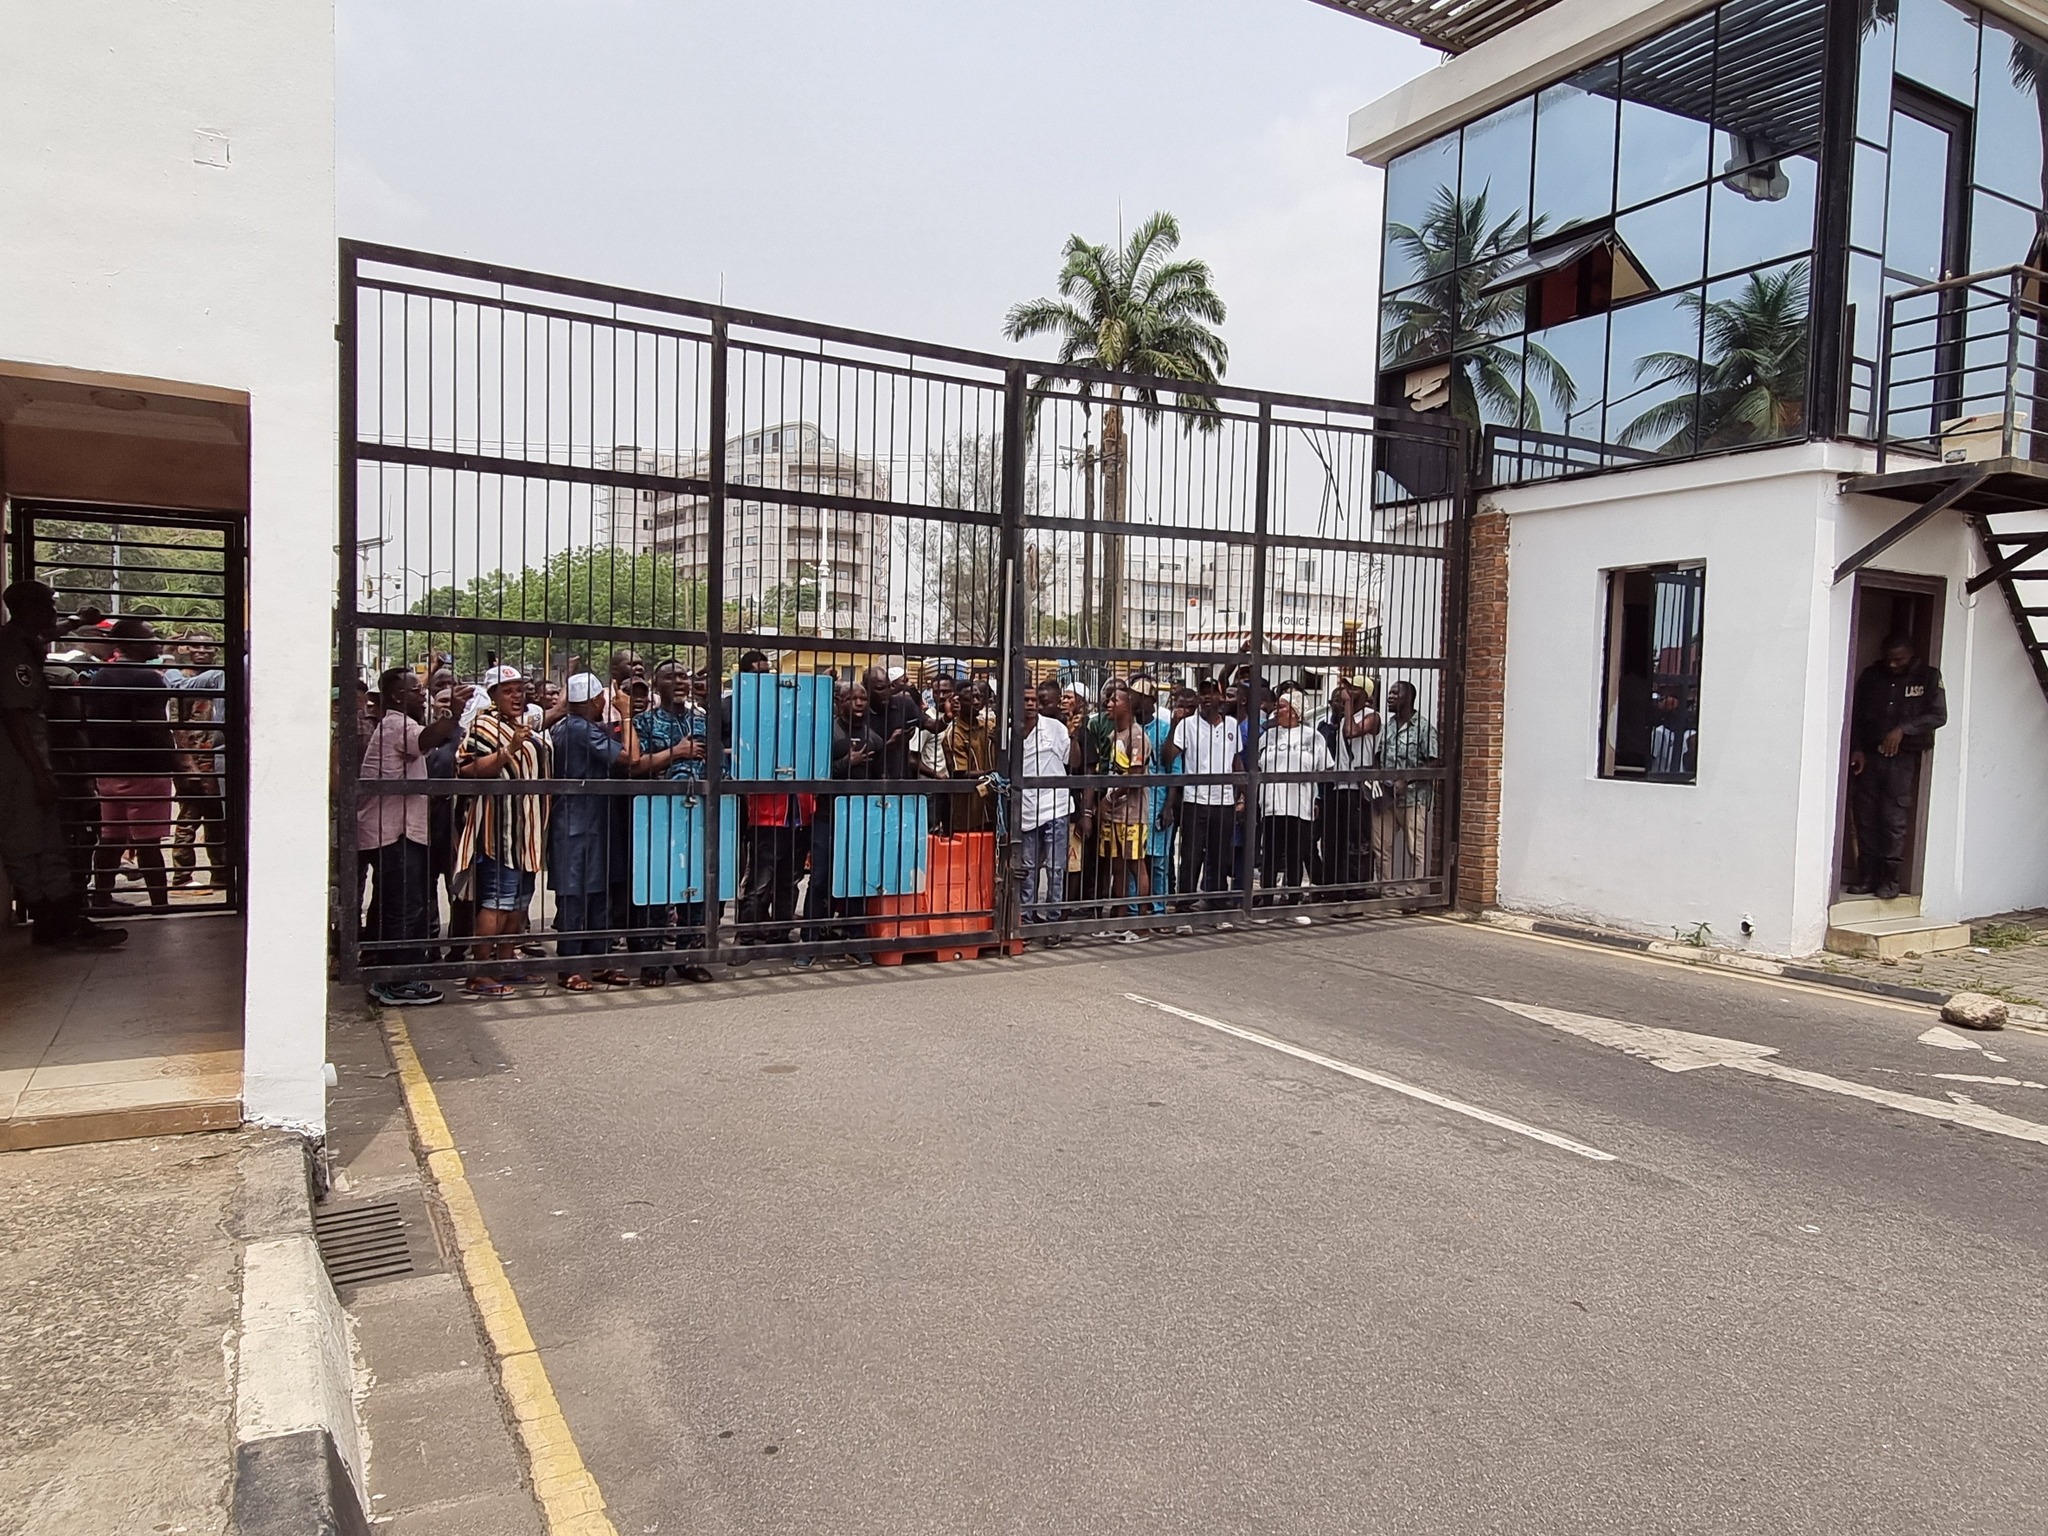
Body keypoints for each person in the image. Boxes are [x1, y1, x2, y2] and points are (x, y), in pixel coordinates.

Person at [0, 580, 125, 948]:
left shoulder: (21, 640)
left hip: (30, 757)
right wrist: (38, 772)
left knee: (45, 838)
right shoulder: (12, 651)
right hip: (19, 761)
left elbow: (46, 635)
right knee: (29, 840)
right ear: (31, 610)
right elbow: (14, 715)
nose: (54, 615)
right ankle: (54, 919)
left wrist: (75, 622)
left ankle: (59, 918)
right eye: (49, 607)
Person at [359, 667, 457, 1005]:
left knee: (397, 904)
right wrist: (454, 713)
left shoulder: (398, 725)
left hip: (398, 831)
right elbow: (426, 740)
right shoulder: (396, 725)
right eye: (417, 690)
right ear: (399, 696)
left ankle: (391, 975)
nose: (423, 695)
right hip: (394, 832)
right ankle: (398, 981)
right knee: (404, 908)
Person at [454, 664, 552, 999]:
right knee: (498, 901)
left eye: (520, 689)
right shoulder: (483, 725)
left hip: (528, 832)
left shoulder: (523, 725)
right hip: (500, 831)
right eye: (508, 690)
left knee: (519, 903)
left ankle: (506, 962)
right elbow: (467, 769)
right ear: (493, 695)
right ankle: (480, 972)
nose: (516, 695)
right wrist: (508, 749)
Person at [626, 660, 716, 985]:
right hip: (658, 815)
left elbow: (717, 765)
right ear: (655, 684)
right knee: (656, 889)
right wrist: (676, 753)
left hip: (697, 814)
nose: (680, 682)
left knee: (695, 888)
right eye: (671, 676)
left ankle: (689, 957)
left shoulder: (703, 721)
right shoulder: (643, 723)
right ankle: (653, 963)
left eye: (684, 676)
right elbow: (634, 767)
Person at [82, 617, 180, 913]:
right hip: (146, 770)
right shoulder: (148, 678)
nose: (157, 642)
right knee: (149, 843)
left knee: (111, 838)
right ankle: (160, 905)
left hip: (109, 770)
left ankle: (101, 897)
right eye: (150, 637)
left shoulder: (100, 677)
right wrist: (176, 764)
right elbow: (156, 727)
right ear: (132, 643)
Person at [549, 672, 633, 991]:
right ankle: (570, 966)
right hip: (576, 824)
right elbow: (627, 757)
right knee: (575, 897)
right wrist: (626, 715)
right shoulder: (578, 729)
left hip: (592, 822)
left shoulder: (574, 727)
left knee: (597, 893)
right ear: (597, 700)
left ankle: (598, 961)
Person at [1848, 634, 1947, 901]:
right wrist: (1856, 747)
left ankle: (1889, 881)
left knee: (1893, 819)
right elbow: (1854, 715)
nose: (1892, 665)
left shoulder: (1927, 677)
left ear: (1912, 654)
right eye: (1888, 659)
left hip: (1902, 759)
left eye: (1899, 659)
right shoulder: (1871, 676)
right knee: (1866, 817)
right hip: (1870, 756)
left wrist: (1903, 730)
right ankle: (1867, 877)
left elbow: (1938, 715)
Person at [1256, 687, 1333, 918]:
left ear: (1296, 711)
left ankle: (1292, 899)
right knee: (1270, 853)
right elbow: (1258, 766)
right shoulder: (1268, 736)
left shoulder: (1313, 737)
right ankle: (1267, 900)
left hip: (1299, 804)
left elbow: (1323, 770)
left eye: (1282, 706)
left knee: (1294, 853)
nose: (1276, 711)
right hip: (1272, 803)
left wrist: (1317, 797)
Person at [1165, 678, 1240, 913]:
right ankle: (1185, 901)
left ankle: (1217, 899)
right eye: (1203, 693)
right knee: (1191, 854)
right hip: (1194, 799)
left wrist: (1244, 796)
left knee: (1219, 853)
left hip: (1224, 800)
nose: (1207, 697)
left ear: (1220, 697)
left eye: (1211, 693)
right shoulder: (1187, 725)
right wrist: (1174, 725)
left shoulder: (1231, 725)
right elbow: (1169, 756)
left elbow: (1236, 761)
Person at [166, 636, 227, 891]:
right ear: (187, 649)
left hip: (216, 759)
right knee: (190, 816)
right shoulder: (183, 682)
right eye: (196, 645)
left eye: (207, 646)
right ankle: (182, 876)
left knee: (218, 819)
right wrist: (186, 761)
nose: (202, 650)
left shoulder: (220, 677)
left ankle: (220, 875)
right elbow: (177, 724)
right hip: (194, 758)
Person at [1017, 680, 1077, 936]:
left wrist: (1073, 736)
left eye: (1033, 700)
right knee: (1028, 868)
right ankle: (1026, 921)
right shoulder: (1012, 732)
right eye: (1026, 700)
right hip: (1028, 809)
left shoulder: (1056, 728)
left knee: (1055, 868)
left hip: (1056, 806)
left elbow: (1074, 762)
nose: (1030, 704)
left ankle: (1053, 922)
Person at [1093, 685, 1151, 941]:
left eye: (1113, 700)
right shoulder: (1116, 735)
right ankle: (1120, 916)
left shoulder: (1136, 736)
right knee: (1117, 864)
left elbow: (1135, 777)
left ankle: (1140, 923)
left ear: (1126, 706)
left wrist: (1110, 798)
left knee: (1136, 865)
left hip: (1132, 812)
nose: (1108, 703)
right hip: (1115, 813)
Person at [1375, 680, 1440, 890]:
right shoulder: (1388, 726)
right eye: (1390, 693)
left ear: (1408, 698)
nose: (1390, 697)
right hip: (1386, 797)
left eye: (1395, 693)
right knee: (1381, 846)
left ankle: (1414, 893)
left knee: (1415, 848)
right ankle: (1386, 891)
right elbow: (1378, 756)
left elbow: (1435, 760)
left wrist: (1408, 779)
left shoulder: (1423, 727)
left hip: (1414, 797)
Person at [1317, 681, 1379, 888]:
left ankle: (1357, 887)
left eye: (1353, 689)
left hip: (1359, 788)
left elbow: (1351, 732)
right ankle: (1335, 885)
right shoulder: (1342, 717)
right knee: (1336, 839)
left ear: (1364, 693)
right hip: (1339, 786)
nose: (1347, 693)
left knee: (1357, 840)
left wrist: (1348, 704)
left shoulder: (1372, 716)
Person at [940, 682, 997, 833]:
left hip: (992, 806)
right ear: (958, 702)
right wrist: (993, 772)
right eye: (971, 699)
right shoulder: (954, 734)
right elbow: (960, 773)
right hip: (968, 810)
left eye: (979, 697)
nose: (977, 702)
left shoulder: (989, 726)